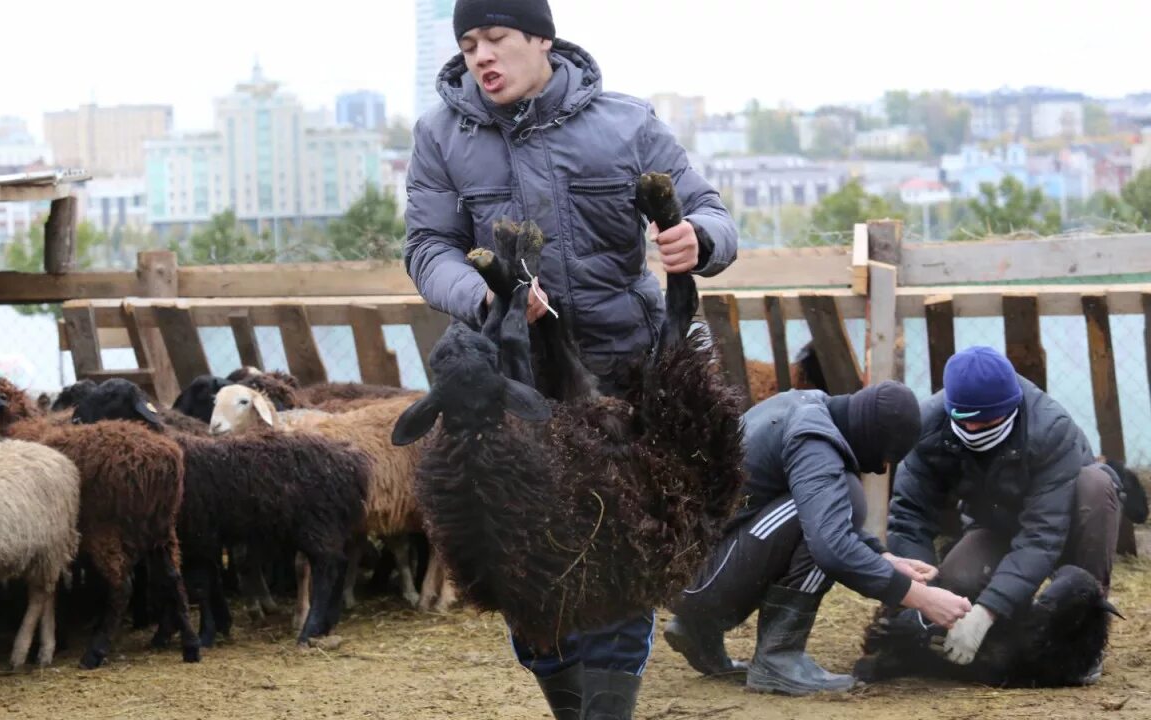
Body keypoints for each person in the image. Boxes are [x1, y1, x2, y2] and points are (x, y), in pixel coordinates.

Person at [403, 0, 739, 717]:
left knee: (624, 551)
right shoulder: (440, 135)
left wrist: (697, 241)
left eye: (496, 38)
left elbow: (711, 210)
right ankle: (568, 701)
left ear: (541, 39)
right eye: (468, 43)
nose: (481, 56)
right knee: (525, 568)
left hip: (624, 374)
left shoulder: (626, 122)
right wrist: (489, 297)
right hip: (515, 389)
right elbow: (427, 247)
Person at [663, 381, 974, 695]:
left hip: (689, 571)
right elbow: (831, 547)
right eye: (886, 456)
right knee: (847, 499)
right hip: (700, 581)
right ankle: (779, 658)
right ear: (872, 435)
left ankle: (698, 628)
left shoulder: (805, 405)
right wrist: (923, 599)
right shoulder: (813, 440)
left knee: (829, 506)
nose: (880, 470)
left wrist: (884, 558)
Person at [887, 345, 1121, 683]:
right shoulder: (927, 427)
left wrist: (986, 611)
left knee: (1095, 484)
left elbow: (1041, 536)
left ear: (1013, 405)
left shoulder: (1050, 428)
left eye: (992, 421)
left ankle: (1080, 632)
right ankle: (1009, 622)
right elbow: (908, 517)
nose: (980, 429)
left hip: (1064, 523)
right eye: (970, 422)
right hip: (994, 525)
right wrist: (925, 597)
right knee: (957, 583)